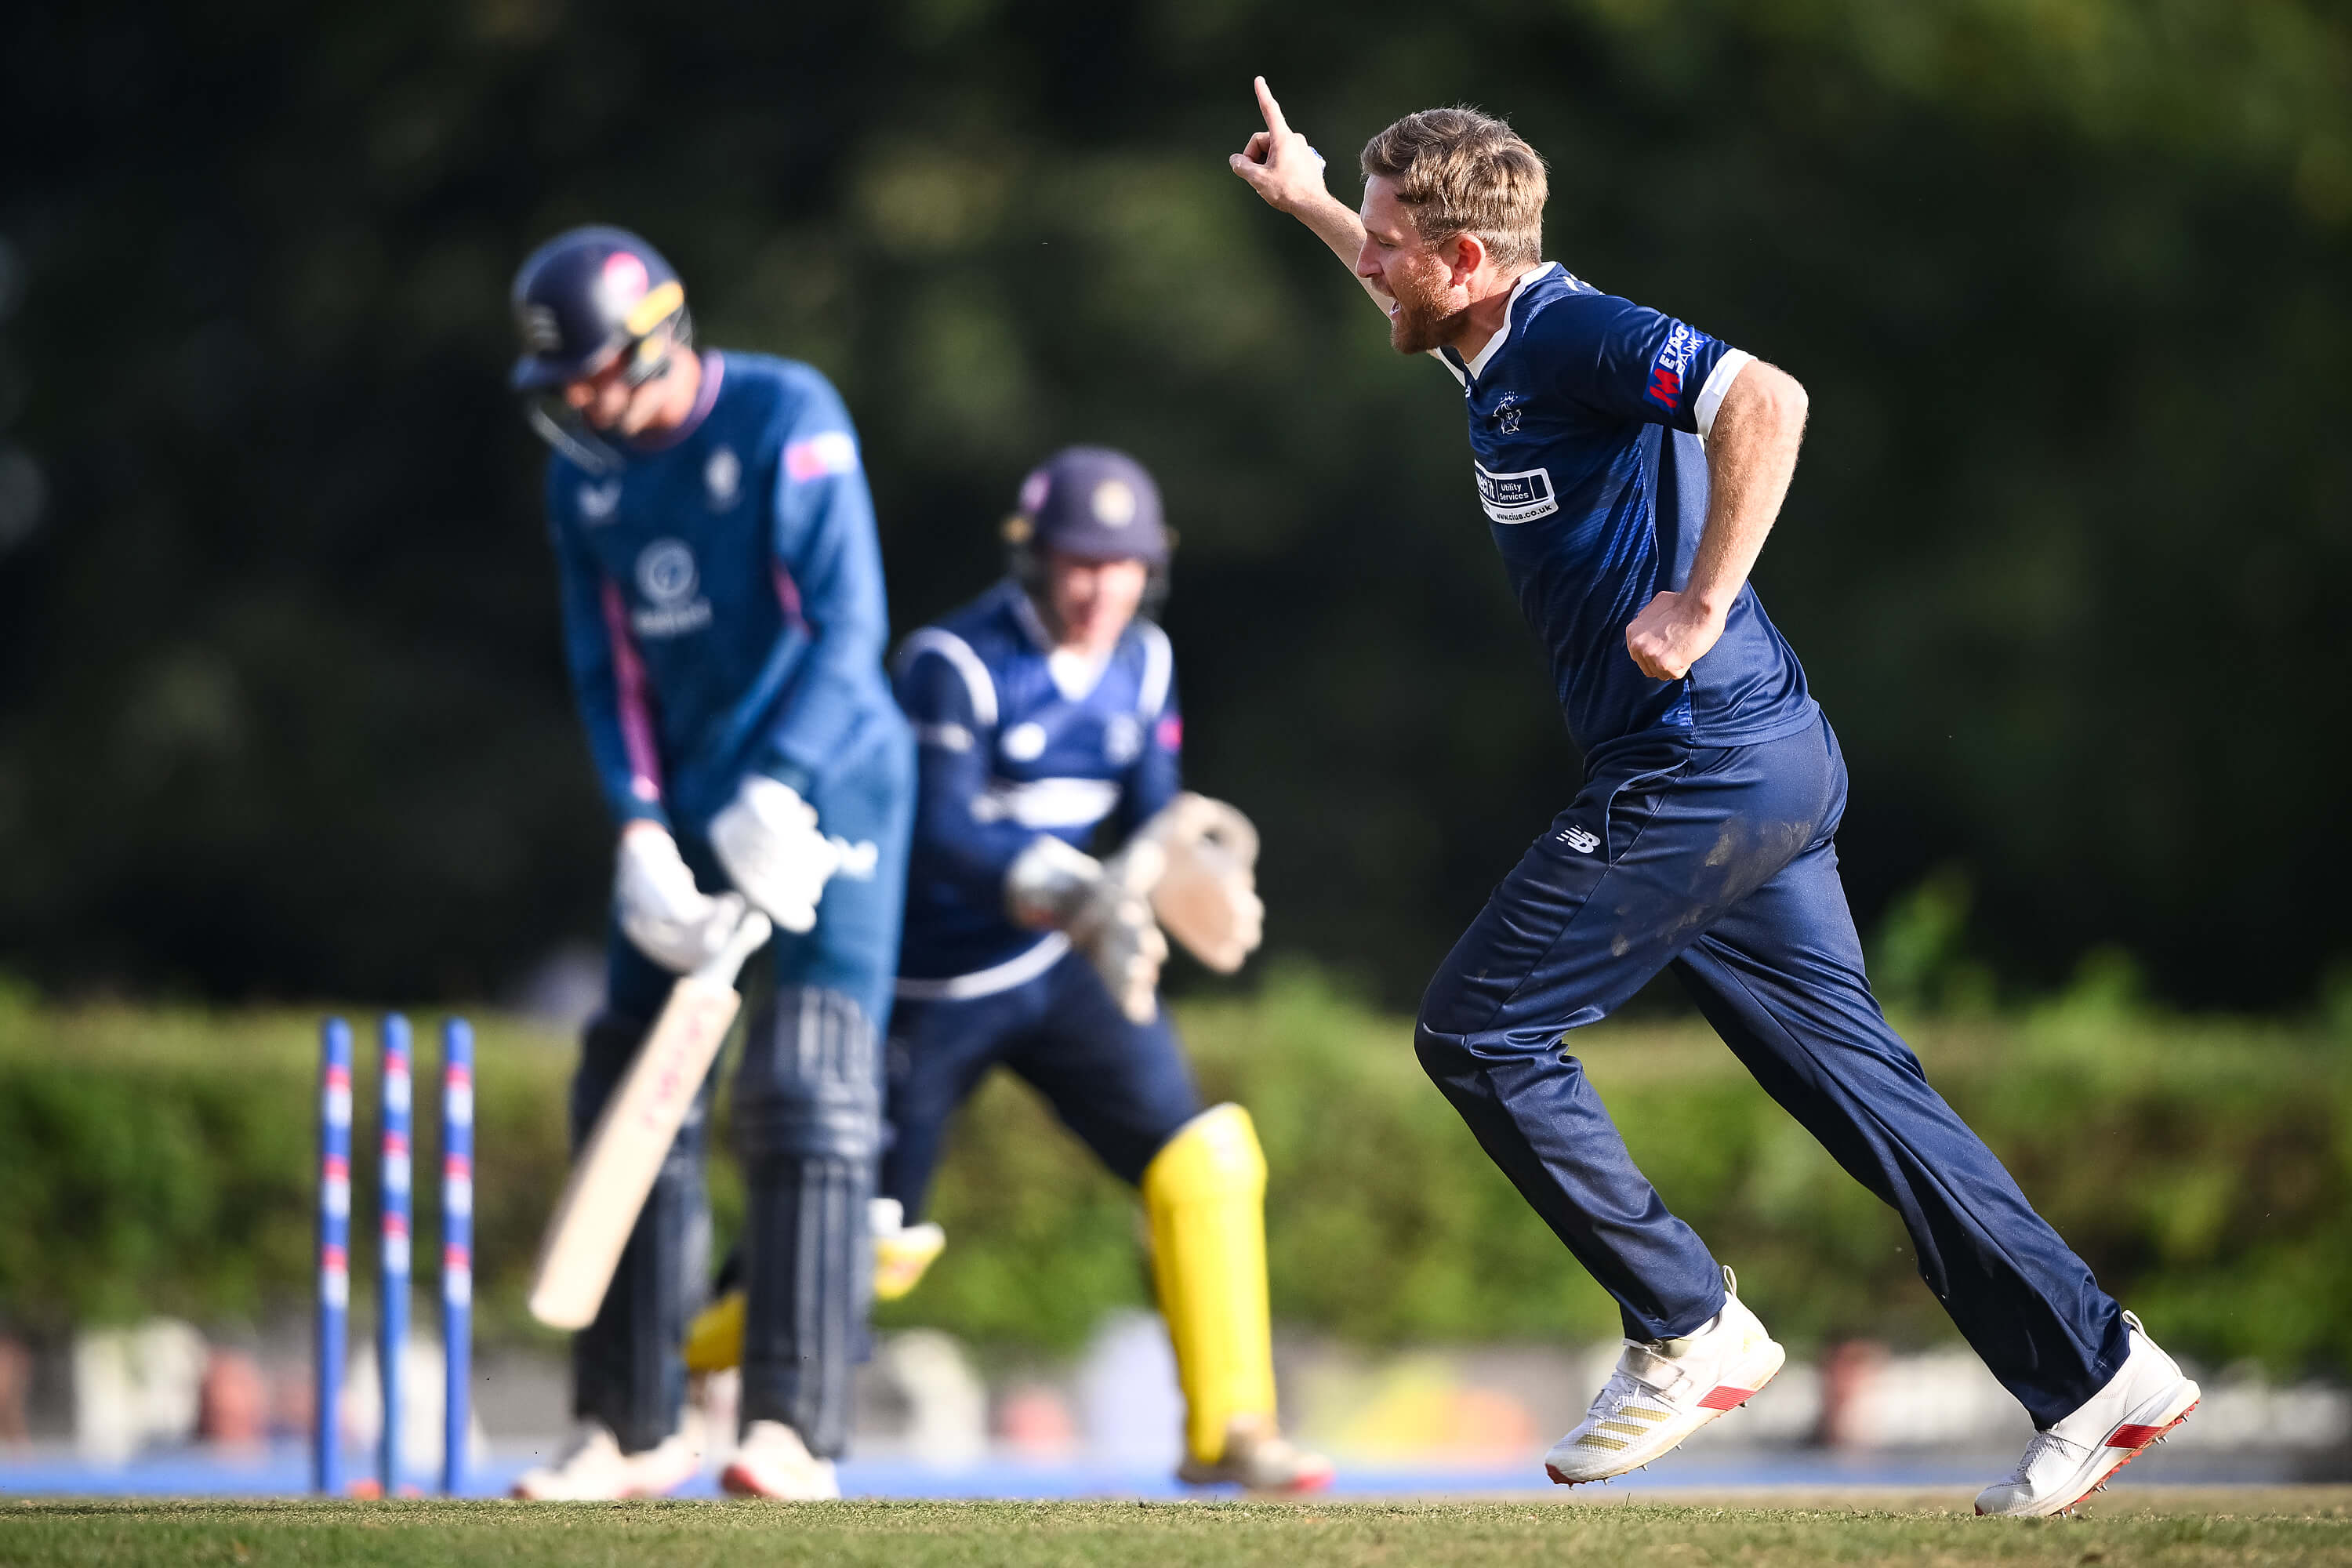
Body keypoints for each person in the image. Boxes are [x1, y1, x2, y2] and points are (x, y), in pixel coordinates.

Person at [1229, 84, 2198, 1517]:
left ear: (1469, 262)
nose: (1367, 261)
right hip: (1760, 761)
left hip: (1703, 763)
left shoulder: (1566, 327)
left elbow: (1767, 397)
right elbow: (1437, 312)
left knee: (1479, 1028)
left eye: (1385, 242)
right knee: (1867, 1096)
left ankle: (1689, 1322)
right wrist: (1315, 196)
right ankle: (2100, 1369)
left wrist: (1700, 597)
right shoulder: (1501, 346)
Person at [689, 447, 1332, 1490]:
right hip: (927, 987)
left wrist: (1182, 867)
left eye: (1121, 567)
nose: (1099, 590)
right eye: (1079, 564)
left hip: (1060, 970)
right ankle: (674, 1358)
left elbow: (1152, 804)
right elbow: (939, 829)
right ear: (1033, 561)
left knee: (1204, 1160)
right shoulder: (955, 661)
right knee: (867, 1246)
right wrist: (1078, 890)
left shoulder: (1148, 661)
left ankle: (1232, 1431)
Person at [505, 225, 914, 1501]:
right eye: (559, 385)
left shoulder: (789, 414)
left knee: (809, 1088)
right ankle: (628, 1428)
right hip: (683, 812)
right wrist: (637, 827)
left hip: (835, 788)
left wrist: (782, 788)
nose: (576, 404)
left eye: (591, 376)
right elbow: (606, 669)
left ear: (660, 335)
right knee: (628, 1073)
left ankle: (793, 1431)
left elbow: (852, 629)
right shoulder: (586, 482)